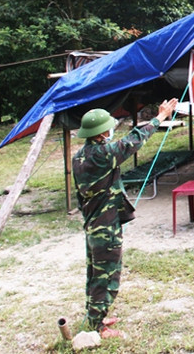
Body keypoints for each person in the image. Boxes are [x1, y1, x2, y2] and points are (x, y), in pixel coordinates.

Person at [73, 98, 178, 339]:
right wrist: (160, 117)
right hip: (105, 226)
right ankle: (97, 326)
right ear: (100, 134)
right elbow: (134, 141)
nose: (111, 131)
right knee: (107, 274)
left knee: (94, 272)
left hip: (92, 223)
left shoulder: (79, 156)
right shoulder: (103, 154)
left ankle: (94, 315)